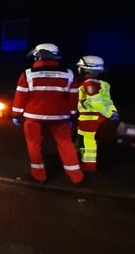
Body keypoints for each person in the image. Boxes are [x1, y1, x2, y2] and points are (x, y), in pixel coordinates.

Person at [11, 43, 83, 184]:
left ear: (39, 56)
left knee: (34, 145)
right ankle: (76, 176)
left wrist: (16, 114)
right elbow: (74, 97)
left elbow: (21, 96)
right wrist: (73, 115)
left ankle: (39, 175)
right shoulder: (69, 74)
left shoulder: (28, 74)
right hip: (61, 117)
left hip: (33, 116)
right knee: (66, 144)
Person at [74, 55, 119, 173]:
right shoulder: (103, 84)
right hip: (96, 116)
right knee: (83, 140)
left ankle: (88, 165)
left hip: (90, 117)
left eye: (81, 68)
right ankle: (81, 160)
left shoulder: (89, 84)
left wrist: (109, 114)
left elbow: (96, 102)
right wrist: (112, 113)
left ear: (86, 69)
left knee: (87, 141)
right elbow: (108, 101)